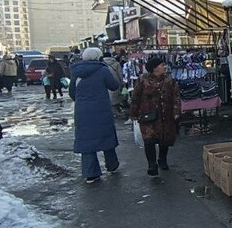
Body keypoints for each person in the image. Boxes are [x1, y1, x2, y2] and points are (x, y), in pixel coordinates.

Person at [68, 47, 120, 184]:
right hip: (101, 109)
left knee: (86, 141)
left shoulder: (76, 72)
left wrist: (82, 102)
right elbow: (114, 86)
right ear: (98, 56)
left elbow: (72, 92)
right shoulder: (103, 70)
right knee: (106, 135)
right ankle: (112, 165)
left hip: (82, 111)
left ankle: (91, 173)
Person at [130, 57, 181, 176]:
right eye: (162, 65)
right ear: (154, 68)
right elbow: (135, 97)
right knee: (149, 140)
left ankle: (162, 160)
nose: (164, 67)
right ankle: (152, 164)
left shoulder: (169, 80)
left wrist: (176, 111)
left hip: (166, 115)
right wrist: (134, 113)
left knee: (165, 139)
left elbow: (176, 96)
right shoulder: (143, 79)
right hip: (148, 115)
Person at [101, 51, 124, 117]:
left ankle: (113, 111)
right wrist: (122, 82)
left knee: (110, 96)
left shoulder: (101, 63)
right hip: (116, 80)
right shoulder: (116, 63)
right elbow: (120, 73)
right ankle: (116, 110)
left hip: (106, 81)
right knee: (116, 96)